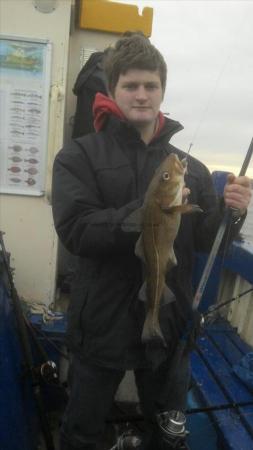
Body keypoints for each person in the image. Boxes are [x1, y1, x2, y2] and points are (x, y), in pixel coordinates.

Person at [52, 32, 252, 450]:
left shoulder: (188, 168)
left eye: (151, 86)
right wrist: (148, 212)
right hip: (101, 321)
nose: (141, 95)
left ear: (162, 90)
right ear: (112, 90)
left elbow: (202, 238)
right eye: (130, 85)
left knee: (168, 434)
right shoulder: (78, 156)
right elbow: (76, 230)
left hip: (169, 320)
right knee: (82, 432)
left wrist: (231, 213)